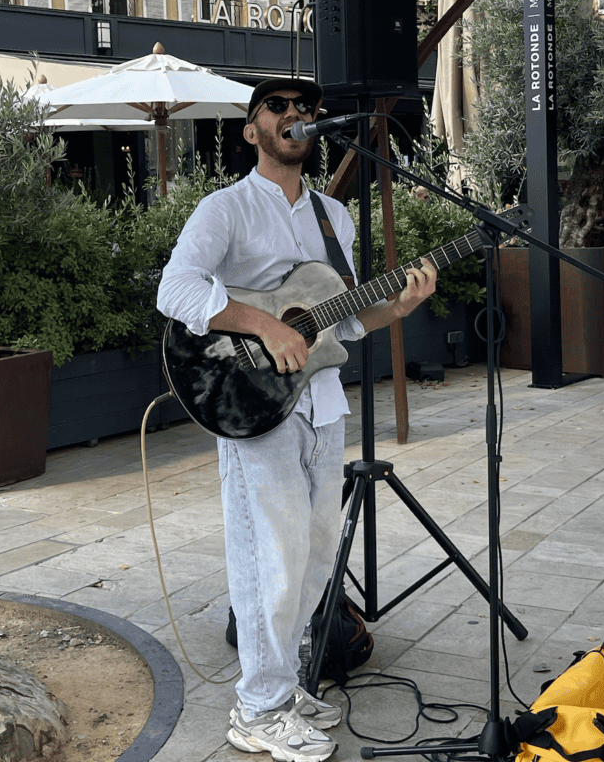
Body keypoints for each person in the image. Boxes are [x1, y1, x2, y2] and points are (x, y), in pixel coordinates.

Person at [156, 79, 437, 762]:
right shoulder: (224, 209)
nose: (295, 116)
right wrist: (260, 323)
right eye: (277, 107)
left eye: (304, 109)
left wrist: (392, 311)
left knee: (312, 561)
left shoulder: (331, 221)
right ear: (252, 130)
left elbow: (335, 319)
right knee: (267, 560)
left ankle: (280, 690)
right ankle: (256, 709)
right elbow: (177, 289)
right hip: (249, 401)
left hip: (317, 401)